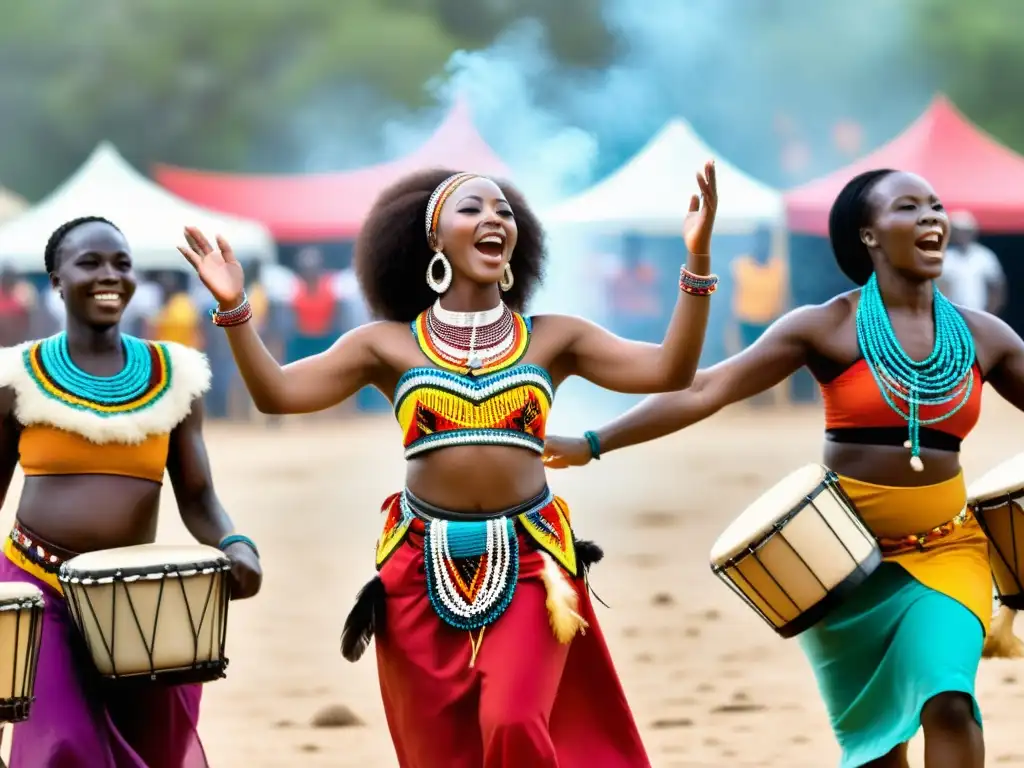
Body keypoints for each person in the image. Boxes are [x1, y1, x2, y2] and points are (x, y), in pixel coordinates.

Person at [178, 163, 719, 768]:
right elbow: (278, 394)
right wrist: (234, 309)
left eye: (504, 212)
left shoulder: (554, 338)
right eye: (472, 209)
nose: (493, 219)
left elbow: (670, 371)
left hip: (533, 562)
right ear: (432, 237)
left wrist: (696, 262)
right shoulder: (384, 345)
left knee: (514, 724)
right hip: (416, 566)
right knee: (441, 753)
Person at [543, 169, 1024, 768]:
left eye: (936, 205)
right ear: (869, 235)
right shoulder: (823, 326)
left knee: (948, 699)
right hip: (839, 565)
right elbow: (706, 388)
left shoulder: (985, 337)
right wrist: (593, 441)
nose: (932, 217)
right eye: (909, 207)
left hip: (949, 552)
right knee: (879, 748)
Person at [0, 216, 263, 767]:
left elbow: (197, 496)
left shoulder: (175, 374)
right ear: (55, 280)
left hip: (139, 596)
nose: (109, 276)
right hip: (37, 587)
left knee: (152, 752)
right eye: (89, 263)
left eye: (121, 264)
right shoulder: (16, 377)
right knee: (62, 748)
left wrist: (237, 544)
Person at [939, 210, 1006, 315]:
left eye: (966, 231)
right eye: (958, 231)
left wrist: (990, 313)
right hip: (951, 316)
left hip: (980, 314)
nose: (962, 235)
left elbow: (997, 287)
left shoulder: (984, 256)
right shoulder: (944, 257)